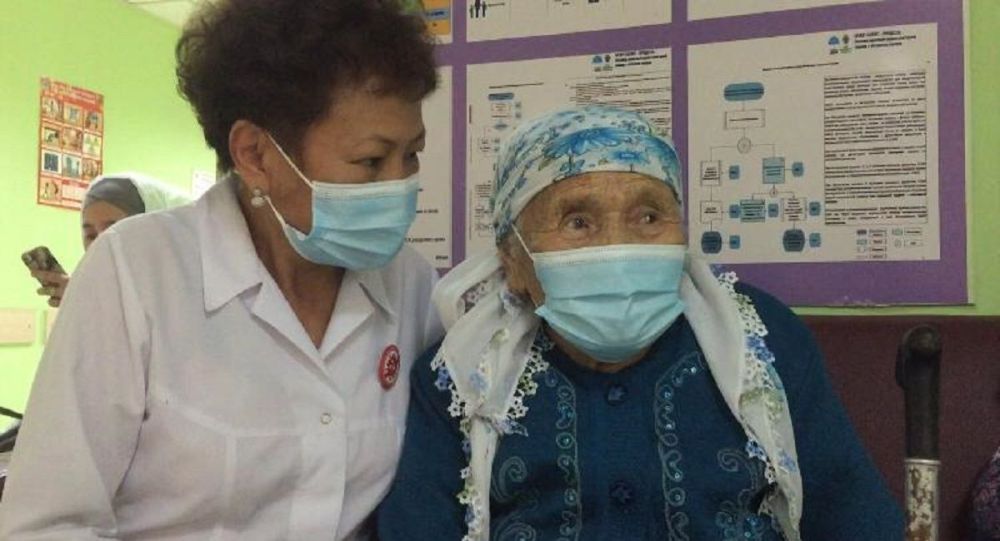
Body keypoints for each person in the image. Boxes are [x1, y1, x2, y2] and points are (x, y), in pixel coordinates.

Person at [0, 0, 442, 539]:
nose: (400, 186)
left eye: (412, 155)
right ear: (255, 155)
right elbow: (46, 524)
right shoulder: (136, 274)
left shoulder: (410, 286)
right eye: (371, 161)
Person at [377, 105, 903, 540]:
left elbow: (854, 516)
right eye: (577, 221)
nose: (618, 246)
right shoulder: (462, 376)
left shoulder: (761, 341)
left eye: (649, 217)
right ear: (513, 261)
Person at [30, 172, 192, 308]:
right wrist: (82, 301)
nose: (100, 245)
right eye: (91, 235)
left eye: (113, 232)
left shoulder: (190, 299)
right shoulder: (96, 292)